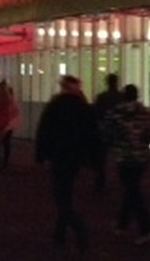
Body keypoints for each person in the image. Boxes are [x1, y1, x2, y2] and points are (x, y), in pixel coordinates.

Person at [35, 75, 99, 254]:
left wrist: (41, 155)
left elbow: (44, 130)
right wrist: (93, 159)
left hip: (58, 156)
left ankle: (76, 230)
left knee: (61, 196)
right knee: (66, 193)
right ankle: (60, 234)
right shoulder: (83, 107)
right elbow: (92, 134)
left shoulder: (55, 105)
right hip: (75, 157)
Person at [102, 84, 150, 245]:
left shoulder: (115, 113)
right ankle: (122, 224)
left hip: (123, 156)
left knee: (132, 191)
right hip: (141, 157)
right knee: (132, 188)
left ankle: (145, 227)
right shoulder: (145, 113)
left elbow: (105, 133)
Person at [92, 73, 125, 192]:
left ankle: (100, 182)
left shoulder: (102, 97)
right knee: (121, 157)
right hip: (120, 130)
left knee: (102, 158)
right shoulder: (123, 97)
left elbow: (96, 113)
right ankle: (123, 182)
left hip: (105, 130)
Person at [0, 79, 20, 169]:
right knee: (7, 144)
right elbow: (13, 112)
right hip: (7, 123)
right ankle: (5, 161)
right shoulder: (10, 99)